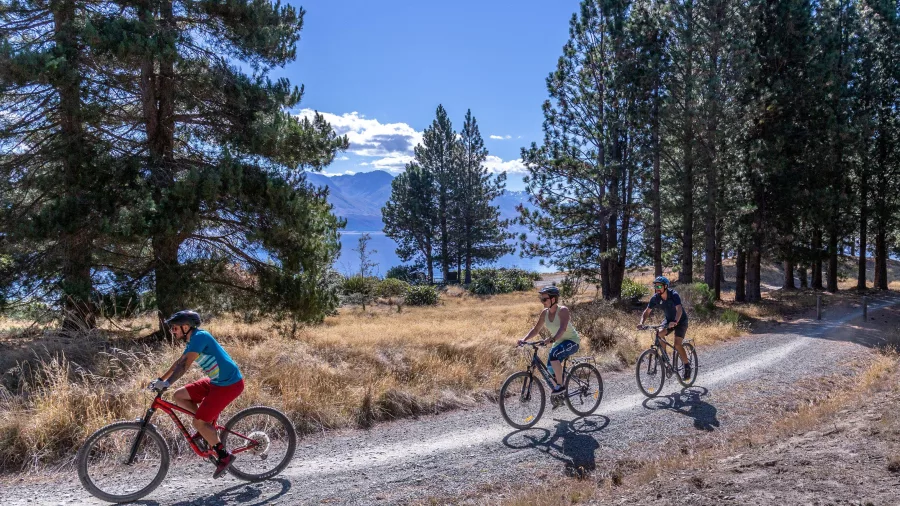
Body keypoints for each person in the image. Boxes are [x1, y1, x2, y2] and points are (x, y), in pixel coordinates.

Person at [148, 310, 244, 478]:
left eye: (175, 328)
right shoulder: (192, 339)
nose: (173, 331)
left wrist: (167, 383)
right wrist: (160, 379)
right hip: (216, 381)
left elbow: (185, 364)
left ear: (186, 327)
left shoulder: (200, 337)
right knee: (179, 396)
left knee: (198, 422)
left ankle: (224, 456)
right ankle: (206, 428)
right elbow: (179, 362)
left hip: (229, 384)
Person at [517, 285, 581, 401]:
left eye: (544, 299)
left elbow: (563, 328)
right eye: (541, 299)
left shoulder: (563, 310)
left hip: (572, 341)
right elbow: (536, 330)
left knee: (554, 355)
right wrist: (524, 339)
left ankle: (560, 386)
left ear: (553, 299)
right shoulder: (544, 313)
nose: (542, 302)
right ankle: (559, 397)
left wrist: (551, 340)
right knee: (549, 369)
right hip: (558, 342)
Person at [638, 276, 692, 380]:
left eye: (659, 286)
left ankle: (687, 366)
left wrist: (675, 321)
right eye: (655, 286)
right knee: (659, 333)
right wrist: (641, 322)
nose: (657, 288)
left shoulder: (673, 295)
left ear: (666, 286)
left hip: (680, 321)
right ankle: (664, 358)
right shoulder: (655, 298)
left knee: (677, 344)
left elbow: (679, 309)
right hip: (668, 321)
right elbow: (647, 311)